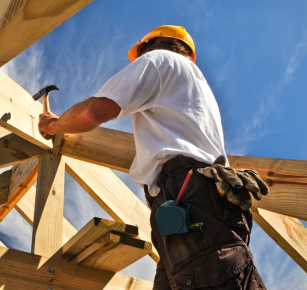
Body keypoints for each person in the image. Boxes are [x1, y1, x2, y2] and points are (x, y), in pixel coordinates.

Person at [38, 25, 266, 289]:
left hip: (188, 196)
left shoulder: (159, 61)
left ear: (148, 46)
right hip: (194, 202)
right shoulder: (193, 84)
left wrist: (53, 125)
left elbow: (93, 112)